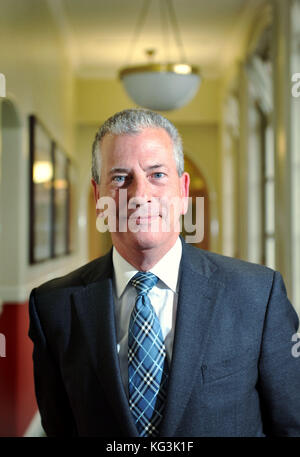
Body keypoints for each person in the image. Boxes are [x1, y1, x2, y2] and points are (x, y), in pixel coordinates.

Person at [29, 108, 300, 437]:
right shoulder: (53, 307)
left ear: (183, 191)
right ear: (98, 195)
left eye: (157, 175)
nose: (140, 195)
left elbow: (291, 425)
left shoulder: (258, 295)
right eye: (119, 178)